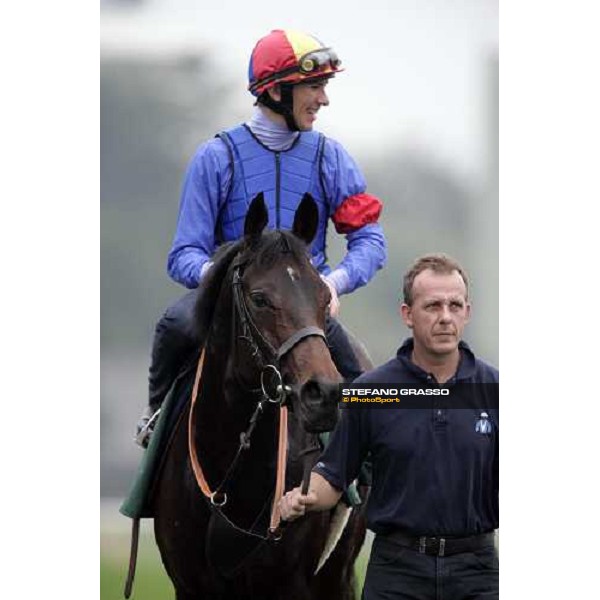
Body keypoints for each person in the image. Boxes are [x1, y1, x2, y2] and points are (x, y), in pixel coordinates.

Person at [135, 29, 387, 446]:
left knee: (361, 385)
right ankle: (155, 424)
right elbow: (183, 254)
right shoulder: (215, 158)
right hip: (233, 305)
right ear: (276, 90)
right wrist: (221, 279)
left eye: (324, 86)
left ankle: (368, 480)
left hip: (306, 308)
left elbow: (370, 242)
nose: (323, 99)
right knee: (174, 325)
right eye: (315, 86)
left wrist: (332, 282)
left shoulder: (332, 158)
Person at [279, 254, 499, 600]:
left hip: (477, 571)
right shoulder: (371, 392)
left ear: (467, 313)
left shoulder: (494, 392)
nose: (445, 317)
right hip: (397, 571)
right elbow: (333, 477)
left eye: (454, 305)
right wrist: (304, 496)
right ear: (407, 315)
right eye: (432, 306)